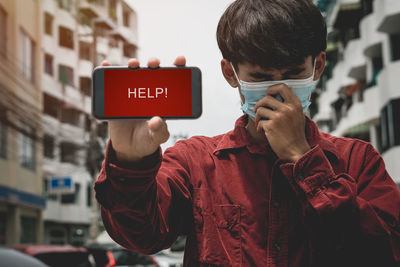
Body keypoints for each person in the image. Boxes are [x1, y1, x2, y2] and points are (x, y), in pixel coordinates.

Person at [94, 0, 400, 266]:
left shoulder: (358, 161)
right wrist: (131, 162)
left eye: (293, 74)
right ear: (231, 74)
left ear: (317, 67)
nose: (278, 91)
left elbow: (384, 255)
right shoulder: (195, 162)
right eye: (260, 77)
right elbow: (143, 236)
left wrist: (304, 160)